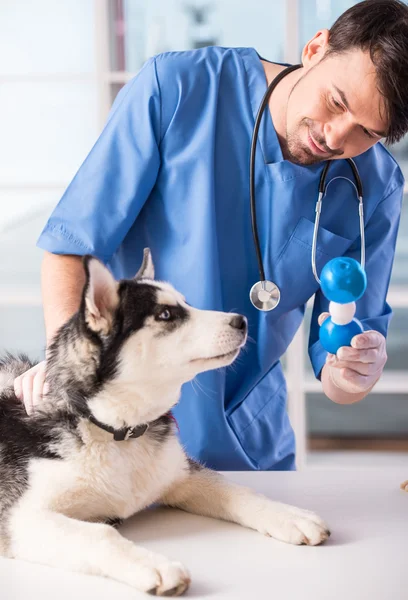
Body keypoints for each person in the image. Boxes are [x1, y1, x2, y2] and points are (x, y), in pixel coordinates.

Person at [14, 0, 408, 470]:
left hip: (246, 445)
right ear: (315, 48)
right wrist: (70, 370)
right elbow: (72, 248)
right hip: (126, 430)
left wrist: (355, 374)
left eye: (367, 131)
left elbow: (338, 368)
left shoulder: (376, 187)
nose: (336, 137)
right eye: (337, 102)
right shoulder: (177, 89)